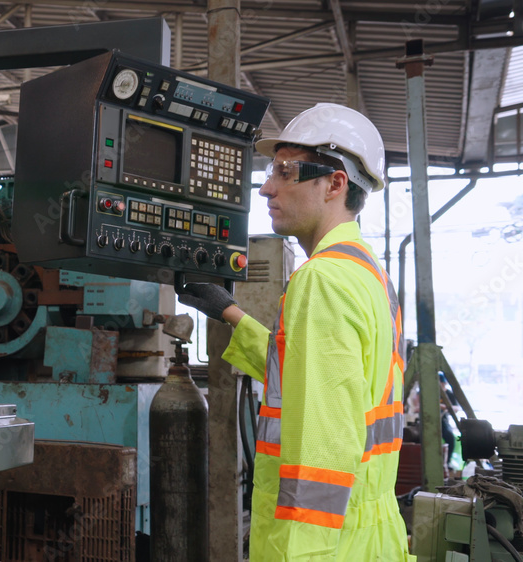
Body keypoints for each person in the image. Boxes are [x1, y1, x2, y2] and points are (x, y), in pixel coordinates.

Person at [179, 103, 411, 560]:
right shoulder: (366, 273)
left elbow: (322, 450)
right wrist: (230, 313)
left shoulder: (321, 279)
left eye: (285, 172)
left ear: (335, 184)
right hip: (369, 537)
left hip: (323, 546)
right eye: (270, 171)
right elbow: (315, 377)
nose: (266, 188)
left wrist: (302, 555)